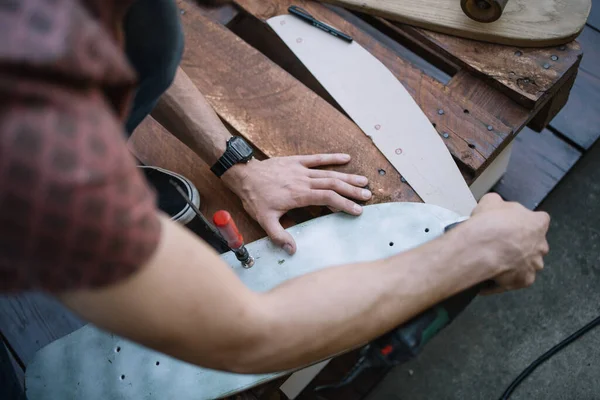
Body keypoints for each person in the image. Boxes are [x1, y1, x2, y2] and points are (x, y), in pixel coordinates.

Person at [0, 0, 549, 376]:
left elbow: (140, 43)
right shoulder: (30, 127)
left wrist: (231, 160)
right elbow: (244, 333)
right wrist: (476, 251)